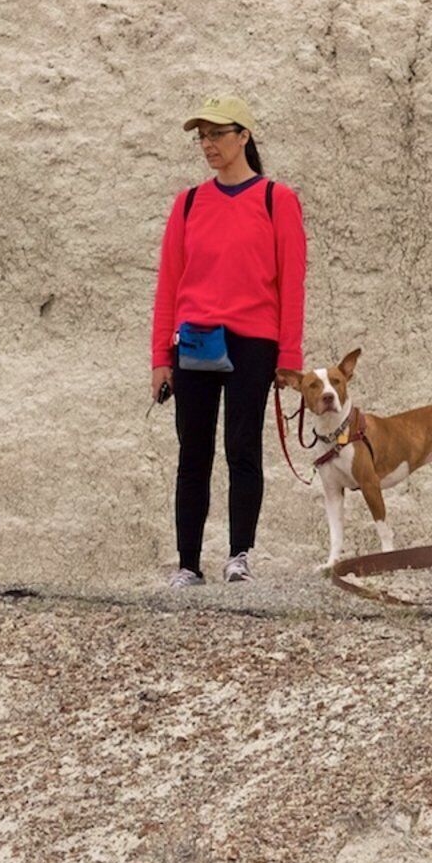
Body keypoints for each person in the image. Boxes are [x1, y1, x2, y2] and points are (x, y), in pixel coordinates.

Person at [149, 95, 307, 585]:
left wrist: (289, 355)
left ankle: (239, 556)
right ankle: (188, 565)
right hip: (194, 339)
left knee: (242, 448)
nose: (208, 144)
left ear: (244, 137)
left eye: (217, 133)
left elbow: (292, 281)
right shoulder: (189, 202)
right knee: (192, 453)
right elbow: (169, 282)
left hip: (253, 342)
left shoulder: (276, 199)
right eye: (202, 135)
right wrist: (160, 357)